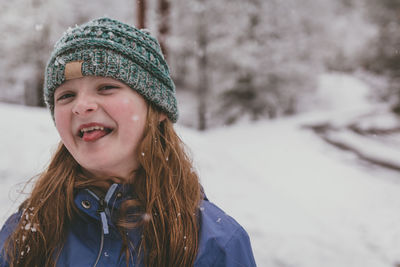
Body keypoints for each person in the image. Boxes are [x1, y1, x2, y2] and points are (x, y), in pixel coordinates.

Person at [0, 17, 256, 267]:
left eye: (106, 87)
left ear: (156, 107)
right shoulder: (24, 235)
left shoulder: (216, 243)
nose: (81, 106)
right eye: (66, 95)